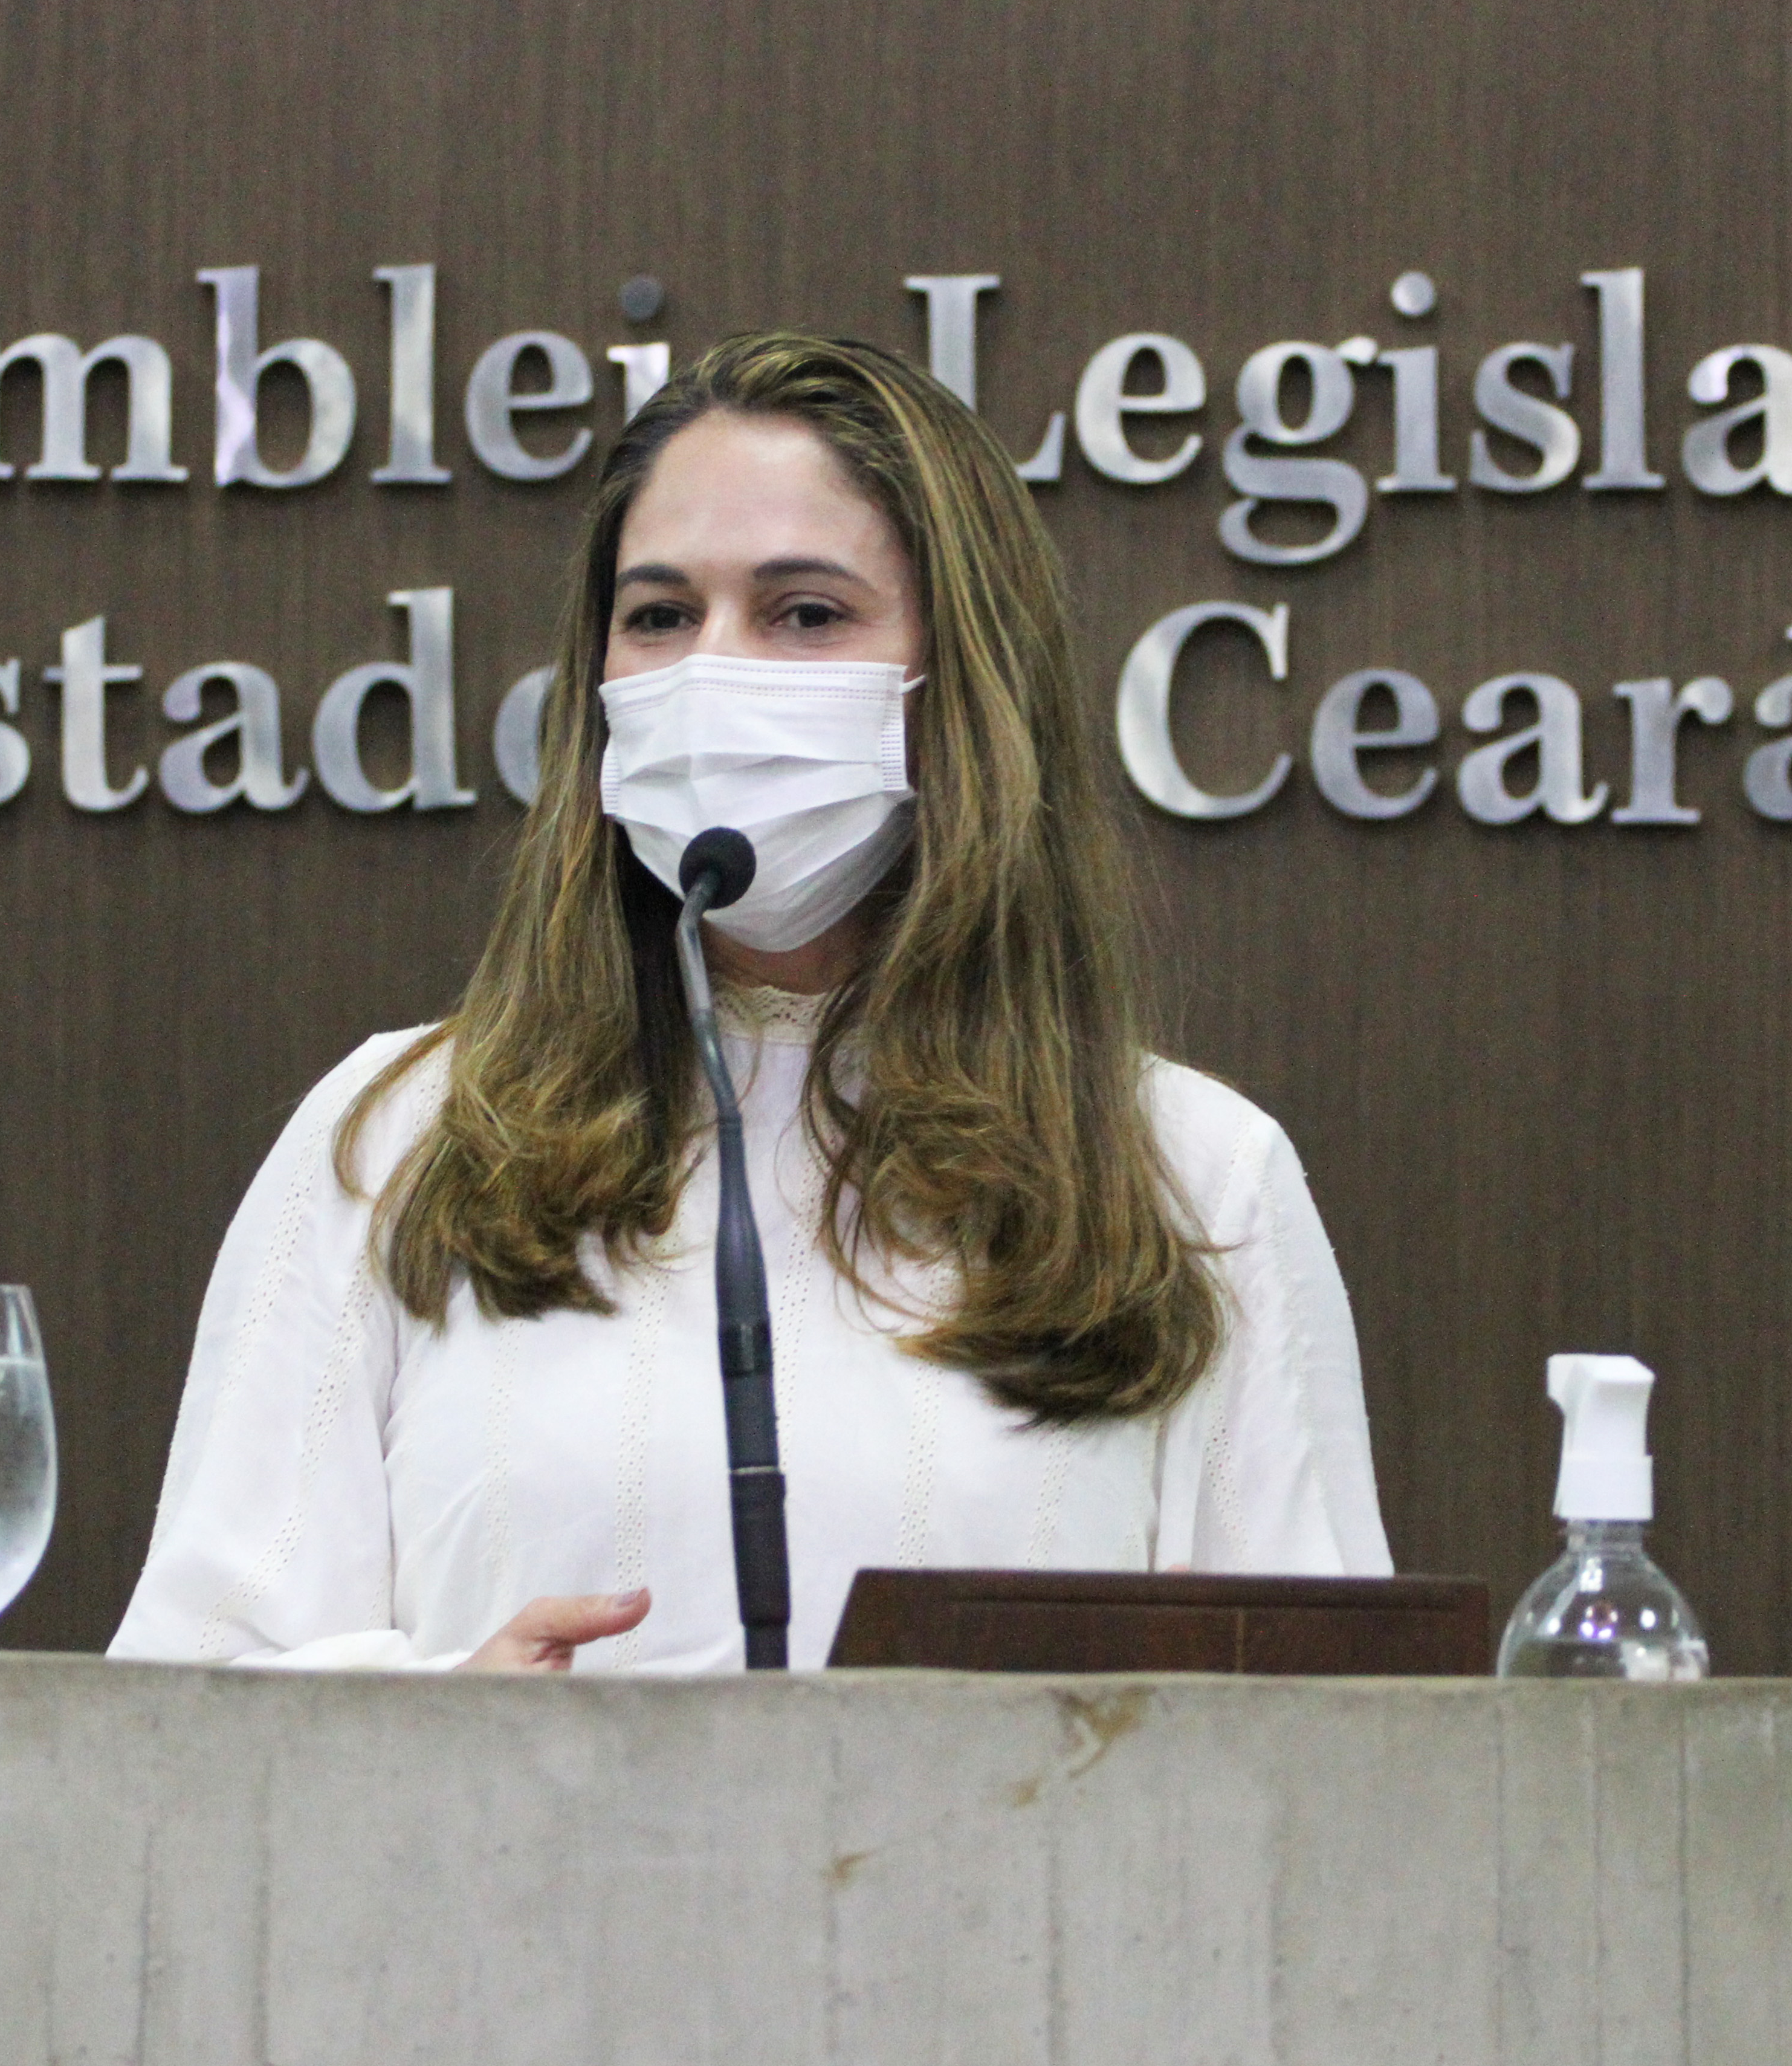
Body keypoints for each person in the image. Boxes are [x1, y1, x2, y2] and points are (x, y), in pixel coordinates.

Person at [110, 331, 1388, 1673]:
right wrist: (450, 1727)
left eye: (806, 614)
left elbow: (1333, 1740)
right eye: (660, 617)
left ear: (963, 681)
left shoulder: (1195, 1175)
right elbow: (183, 1712)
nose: (712, 670)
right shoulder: (400, 1136)